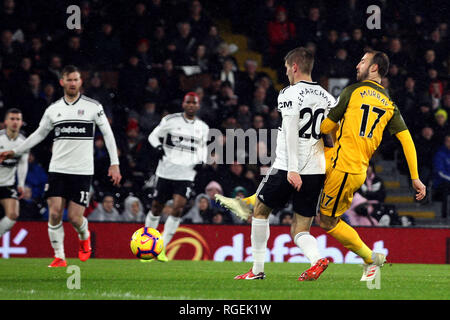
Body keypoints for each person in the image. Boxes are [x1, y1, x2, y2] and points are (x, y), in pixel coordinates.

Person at [217, 47, 336, 281]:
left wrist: (292, 168)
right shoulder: (327, 97)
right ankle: (317, 259)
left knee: (260, 212)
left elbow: (291, 131)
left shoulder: (289, 93)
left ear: (294, 67)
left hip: (288, 167)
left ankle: (257, 270)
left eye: (286, 68)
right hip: (316, 169)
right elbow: (329, 136)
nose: (286, 73)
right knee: (300, 229)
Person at [319, 50, 426, 281]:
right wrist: (415, 177)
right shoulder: (389, 104)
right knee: (299, 175)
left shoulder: (353, 91)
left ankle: (370, 259)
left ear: (374, 68)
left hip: (343, 168)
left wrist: (318, 122)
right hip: (351, 167)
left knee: (327, 220)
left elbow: (325, 127)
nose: (357, 65)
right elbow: (407, 141)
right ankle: (256, 203)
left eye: (363, 61)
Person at [0, 65, 122, 267]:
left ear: (80, 81)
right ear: (62, 82)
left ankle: (84, 237)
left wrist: (114, 163)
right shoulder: (53, 109)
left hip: (82, 171)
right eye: (69, 80)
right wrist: (16, 151)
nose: (73, 83)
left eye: (76, 79)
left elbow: (108, 134)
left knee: (75, 218)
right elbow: (38, 134)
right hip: (58, 169)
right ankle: (59, 256)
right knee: (55, 212)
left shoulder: (93, 107)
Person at [144, 92, 209, 262]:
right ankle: (147, 245)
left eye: (194, 103)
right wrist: (158, 147)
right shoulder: (171, 120)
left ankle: (162, 248)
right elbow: (152, 136)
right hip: (166, 172)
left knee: (179, 207)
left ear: (198, 105)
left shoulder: (203, 127)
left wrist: (202, 159)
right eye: (188, 102)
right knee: (157, 207)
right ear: (183, 104)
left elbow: (202, 147)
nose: (191, 105)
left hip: (187, 174)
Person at [0, 109, 28, 237]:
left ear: (21, 122)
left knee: (13, 214)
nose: (15, 122)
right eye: (12, 119)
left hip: (8, 184)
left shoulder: (24, 143)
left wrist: (21, 184)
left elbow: (23, 163)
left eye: (18, 119)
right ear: (5, 122)